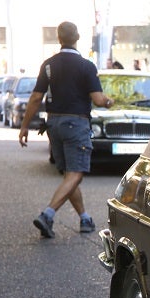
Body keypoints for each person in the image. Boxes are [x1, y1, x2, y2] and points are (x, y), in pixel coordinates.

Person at [18, 21, 115, 238]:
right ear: (77, 37)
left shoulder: (48, 65)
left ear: (58, 38)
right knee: (75, 174)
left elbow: (35, 98)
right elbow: (98, 99)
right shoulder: (86, 66)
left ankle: (84, 218)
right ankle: (48, 215)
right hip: (76, 124)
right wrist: (109, 101)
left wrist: (25, 126)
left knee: (69, 174)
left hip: (53, 124)